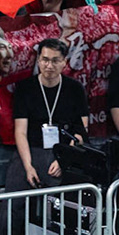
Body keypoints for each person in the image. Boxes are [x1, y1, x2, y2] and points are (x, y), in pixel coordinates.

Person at [9, 38, 88, 190]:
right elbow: (20, 132)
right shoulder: (25, 88)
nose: (49, 66)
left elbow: (81, 131)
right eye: (45, 60)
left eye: (55, 61)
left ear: (64, 62)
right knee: (14, 203)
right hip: (32, 149)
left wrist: (64, 159)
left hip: (64, 148)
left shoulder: (75, 88)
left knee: (60, 202)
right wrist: (28, 166)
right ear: (38, 60)